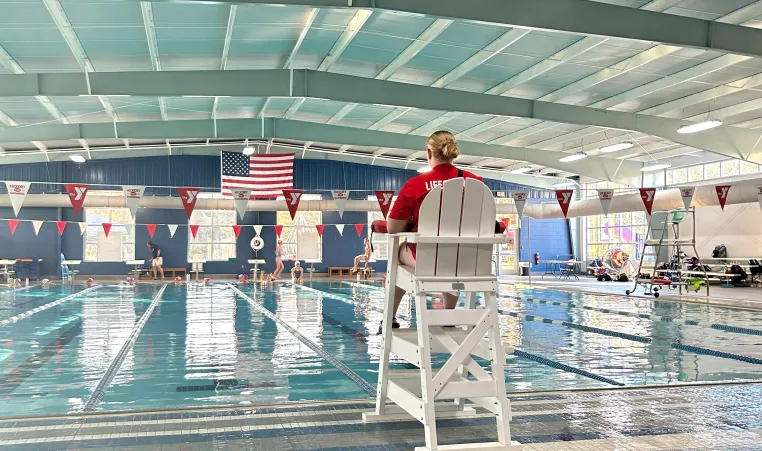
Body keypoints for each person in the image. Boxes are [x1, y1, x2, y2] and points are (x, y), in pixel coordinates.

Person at [379, 130, 481, 334]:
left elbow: (393, 228)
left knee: (397, 252)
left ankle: (389, 318)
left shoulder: (415, 185)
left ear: (428, 152)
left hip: (428, 260)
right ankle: (448, 316)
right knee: (451, 255)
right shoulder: (475, 181)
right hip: (468, 259)